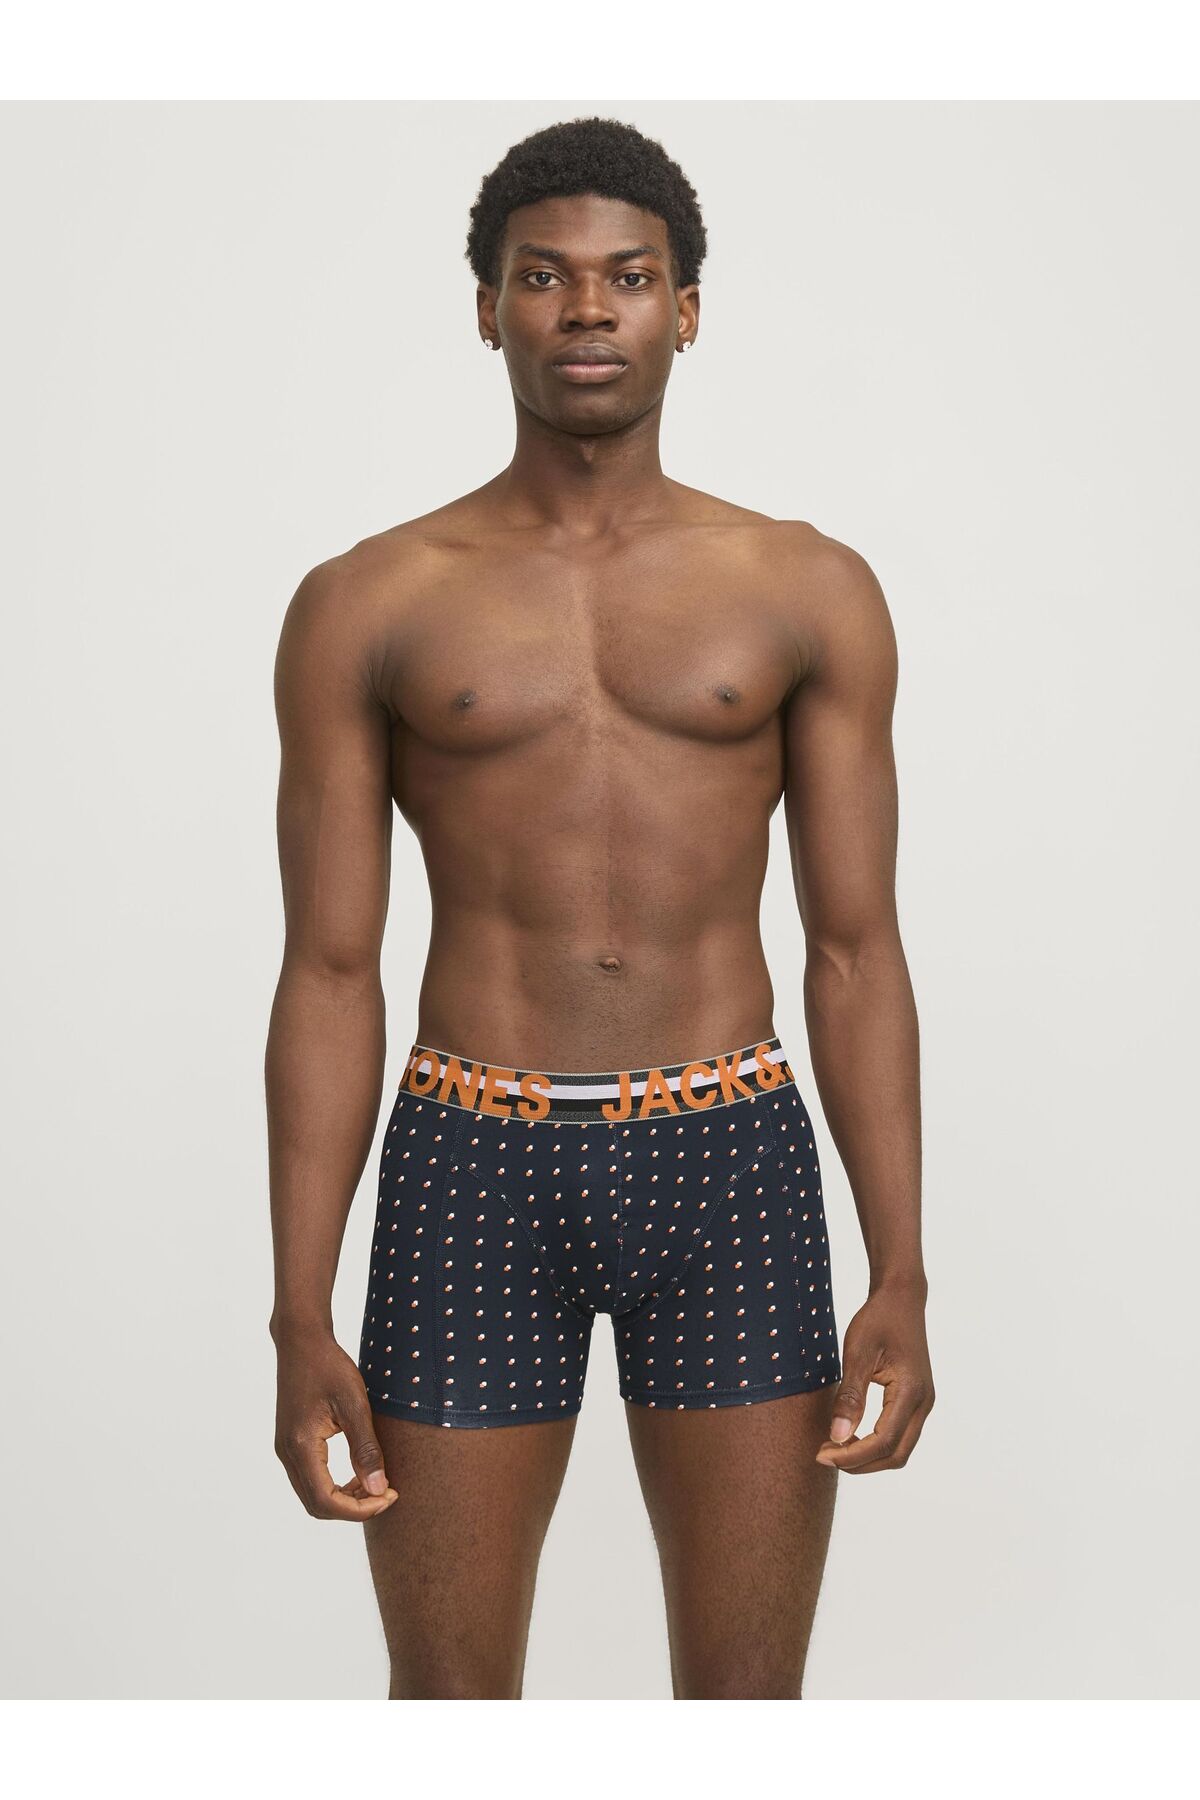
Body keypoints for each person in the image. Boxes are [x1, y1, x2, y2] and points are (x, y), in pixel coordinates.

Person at [265, 115, 934, 1701]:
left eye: (628, 278)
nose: (585, 308)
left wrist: (901, 1272)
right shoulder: (369, 601)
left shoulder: (804, 587)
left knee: (744, 1714)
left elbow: (854, 950)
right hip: (469, 1161)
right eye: (542, 276)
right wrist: (297, 1311)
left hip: (732, 1160)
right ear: (485, 307)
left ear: (684, 311)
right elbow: (330, 970)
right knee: (450, 1712)